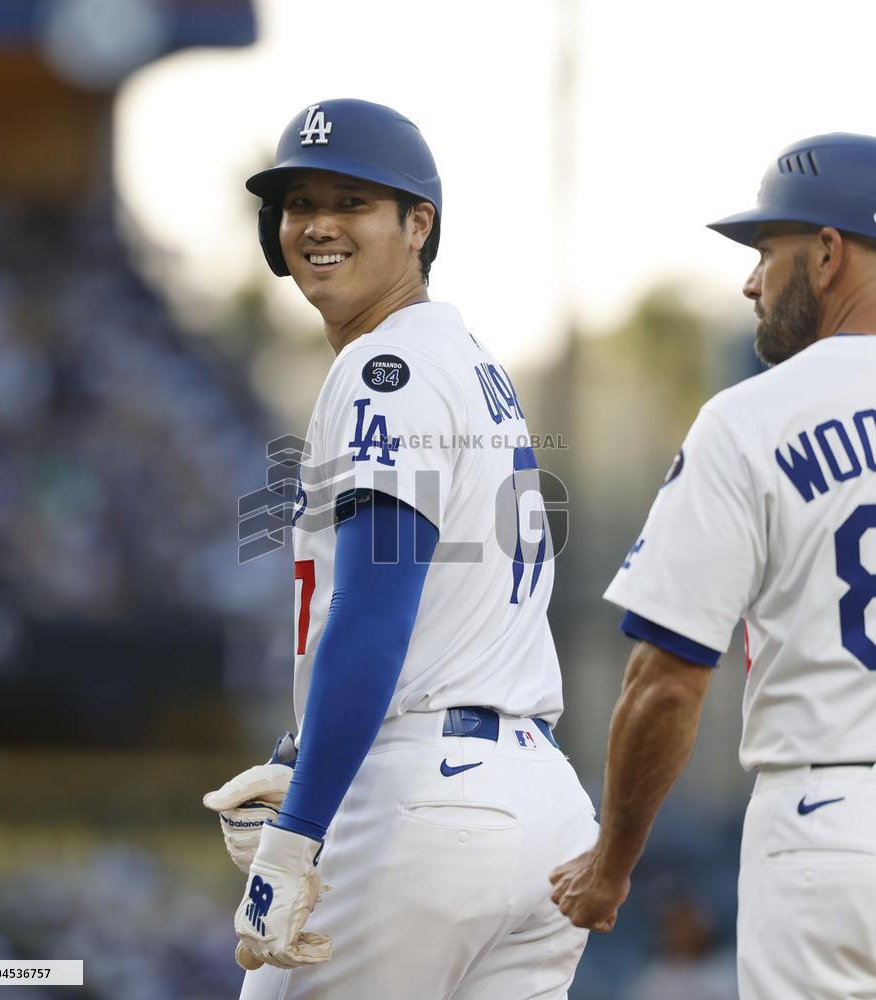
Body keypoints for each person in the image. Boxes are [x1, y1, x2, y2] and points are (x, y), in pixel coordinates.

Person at [205, 99, 597, 1000]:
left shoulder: (387, 367)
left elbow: (374, 612)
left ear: (418, 225)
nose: (318, 225)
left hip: (426, 801)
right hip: (537, 800)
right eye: (299, 204)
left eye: (352, 202)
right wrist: (306, 753)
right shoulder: (468, 362)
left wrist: (298, 833)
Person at [548, 132, 876, 999]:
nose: (750, 282)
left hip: (827, 825)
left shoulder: (750, 418)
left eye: (767, 251)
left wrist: (611, 865)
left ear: (827, 253)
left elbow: (664, 683)